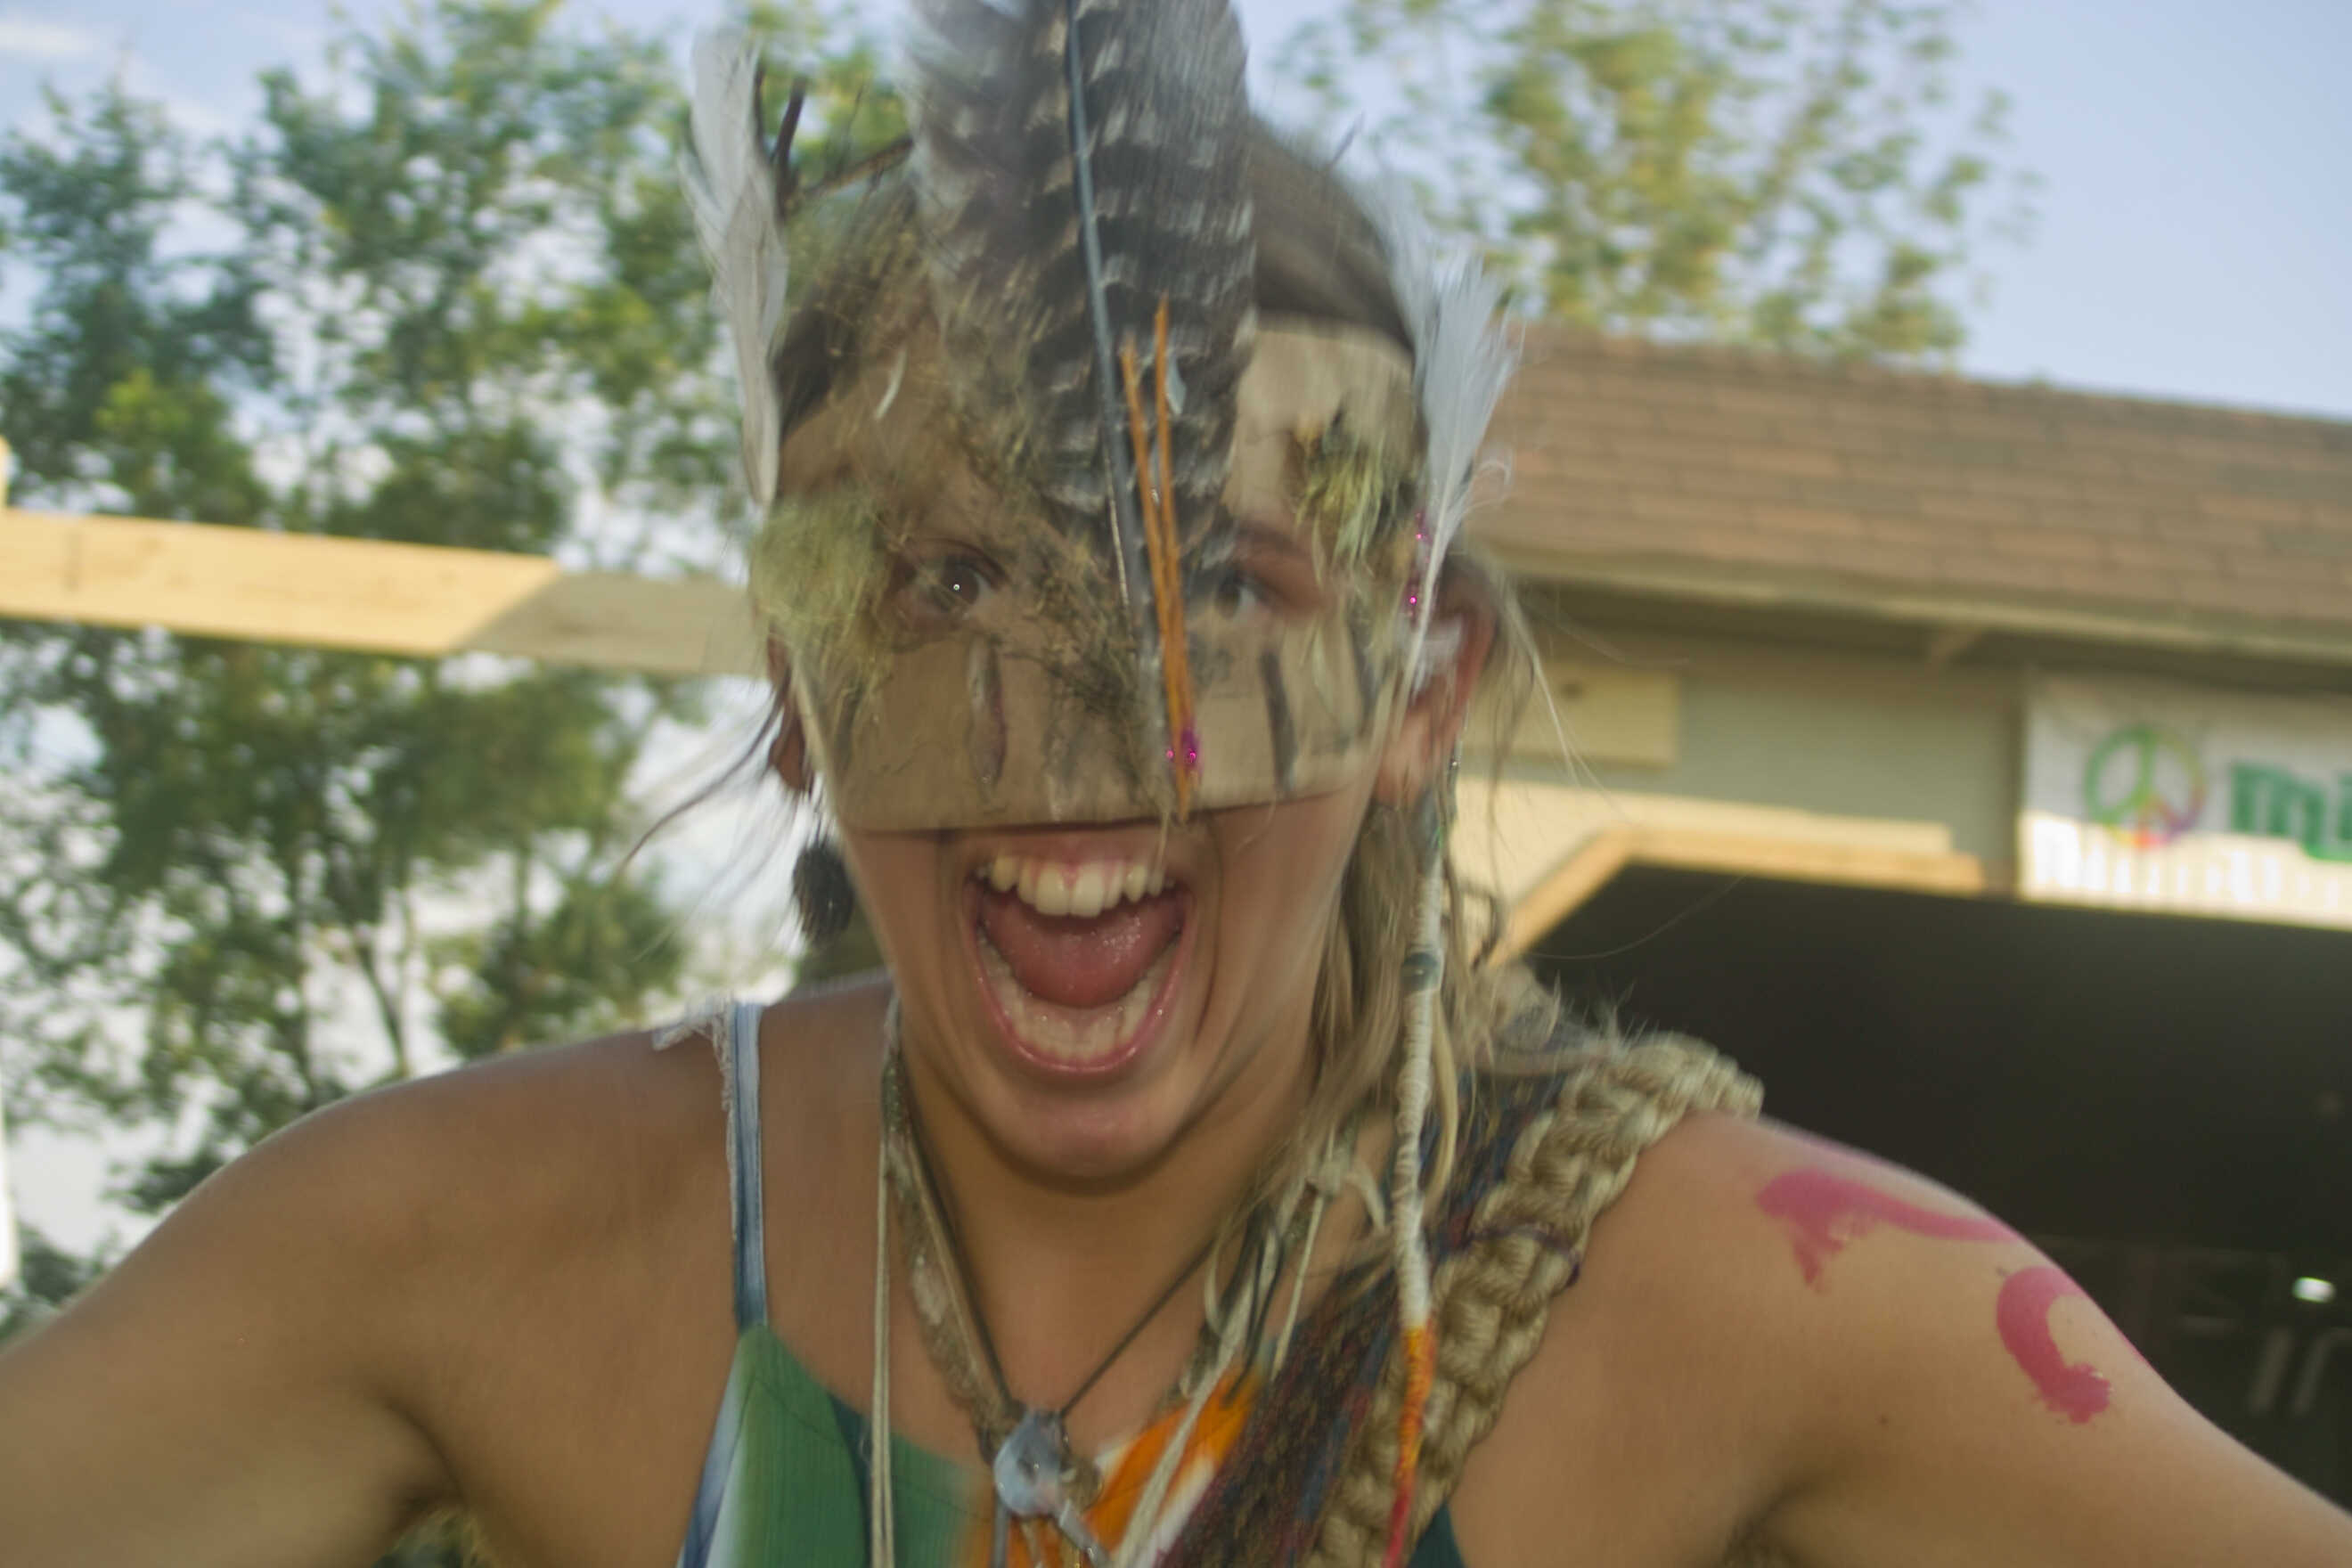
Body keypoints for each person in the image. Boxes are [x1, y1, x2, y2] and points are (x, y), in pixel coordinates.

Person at [4, 4, 2349, 1564]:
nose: (1071, 747)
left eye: (1215, 584)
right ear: (801, 685)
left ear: (1421, 683)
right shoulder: (470, 1248)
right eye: (943, 588)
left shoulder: (1757, 1304)